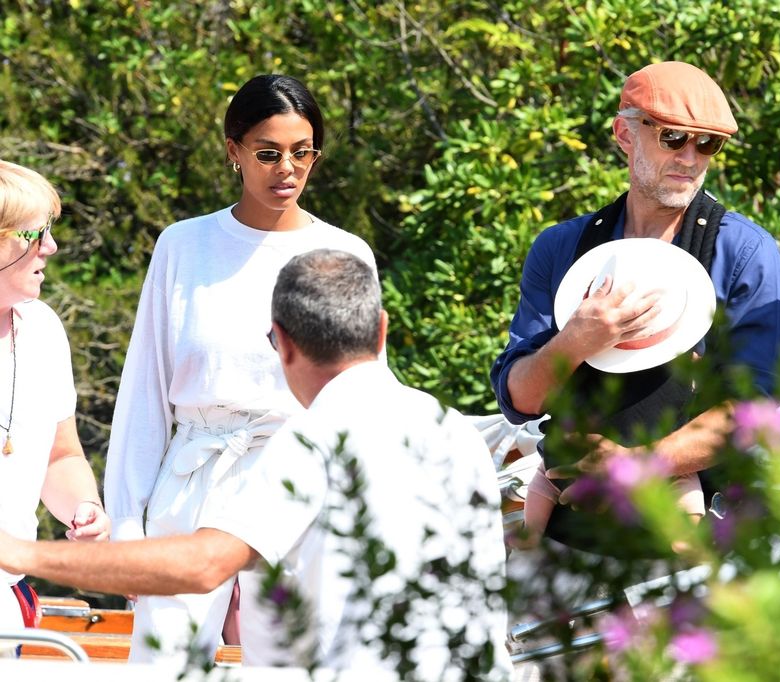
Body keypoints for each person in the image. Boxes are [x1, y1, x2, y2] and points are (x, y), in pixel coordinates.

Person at [0, 249, 512, 679]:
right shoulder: (452, 429)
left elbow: (203, 566)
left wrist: (24, 554)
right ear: (382, 332)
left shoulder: (313, 440)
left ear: (281, 343)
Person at [101, 75, 378, 664]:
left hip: (299, 480)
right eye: (269, 153)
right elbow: (144, 388)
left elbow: (366, 391)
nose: (288, 169)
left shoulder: (347, 253)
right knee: (164, 663)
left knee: (295, 665)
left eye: (303, 153)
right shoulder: (183, 245)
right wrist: (126, 522)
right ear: (234, 151)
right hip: (194, 476)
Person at [491, 61, 780, 559]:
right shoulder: (561, 249)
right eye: (673, 137)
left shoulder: (744, 253)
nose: (691, 158)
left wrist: (637, 466)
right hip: (569, 536)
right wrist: (575, 341)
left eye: (708, 144)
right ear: (624, 134)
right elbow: (519, 398)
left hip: (691, 537)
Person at [0, 161, 111, 650]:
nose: (51, 246)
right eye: (34, 232)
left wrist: (83, 508)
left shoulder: (42, 329)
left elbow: (61, 456)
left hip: (11, 600)